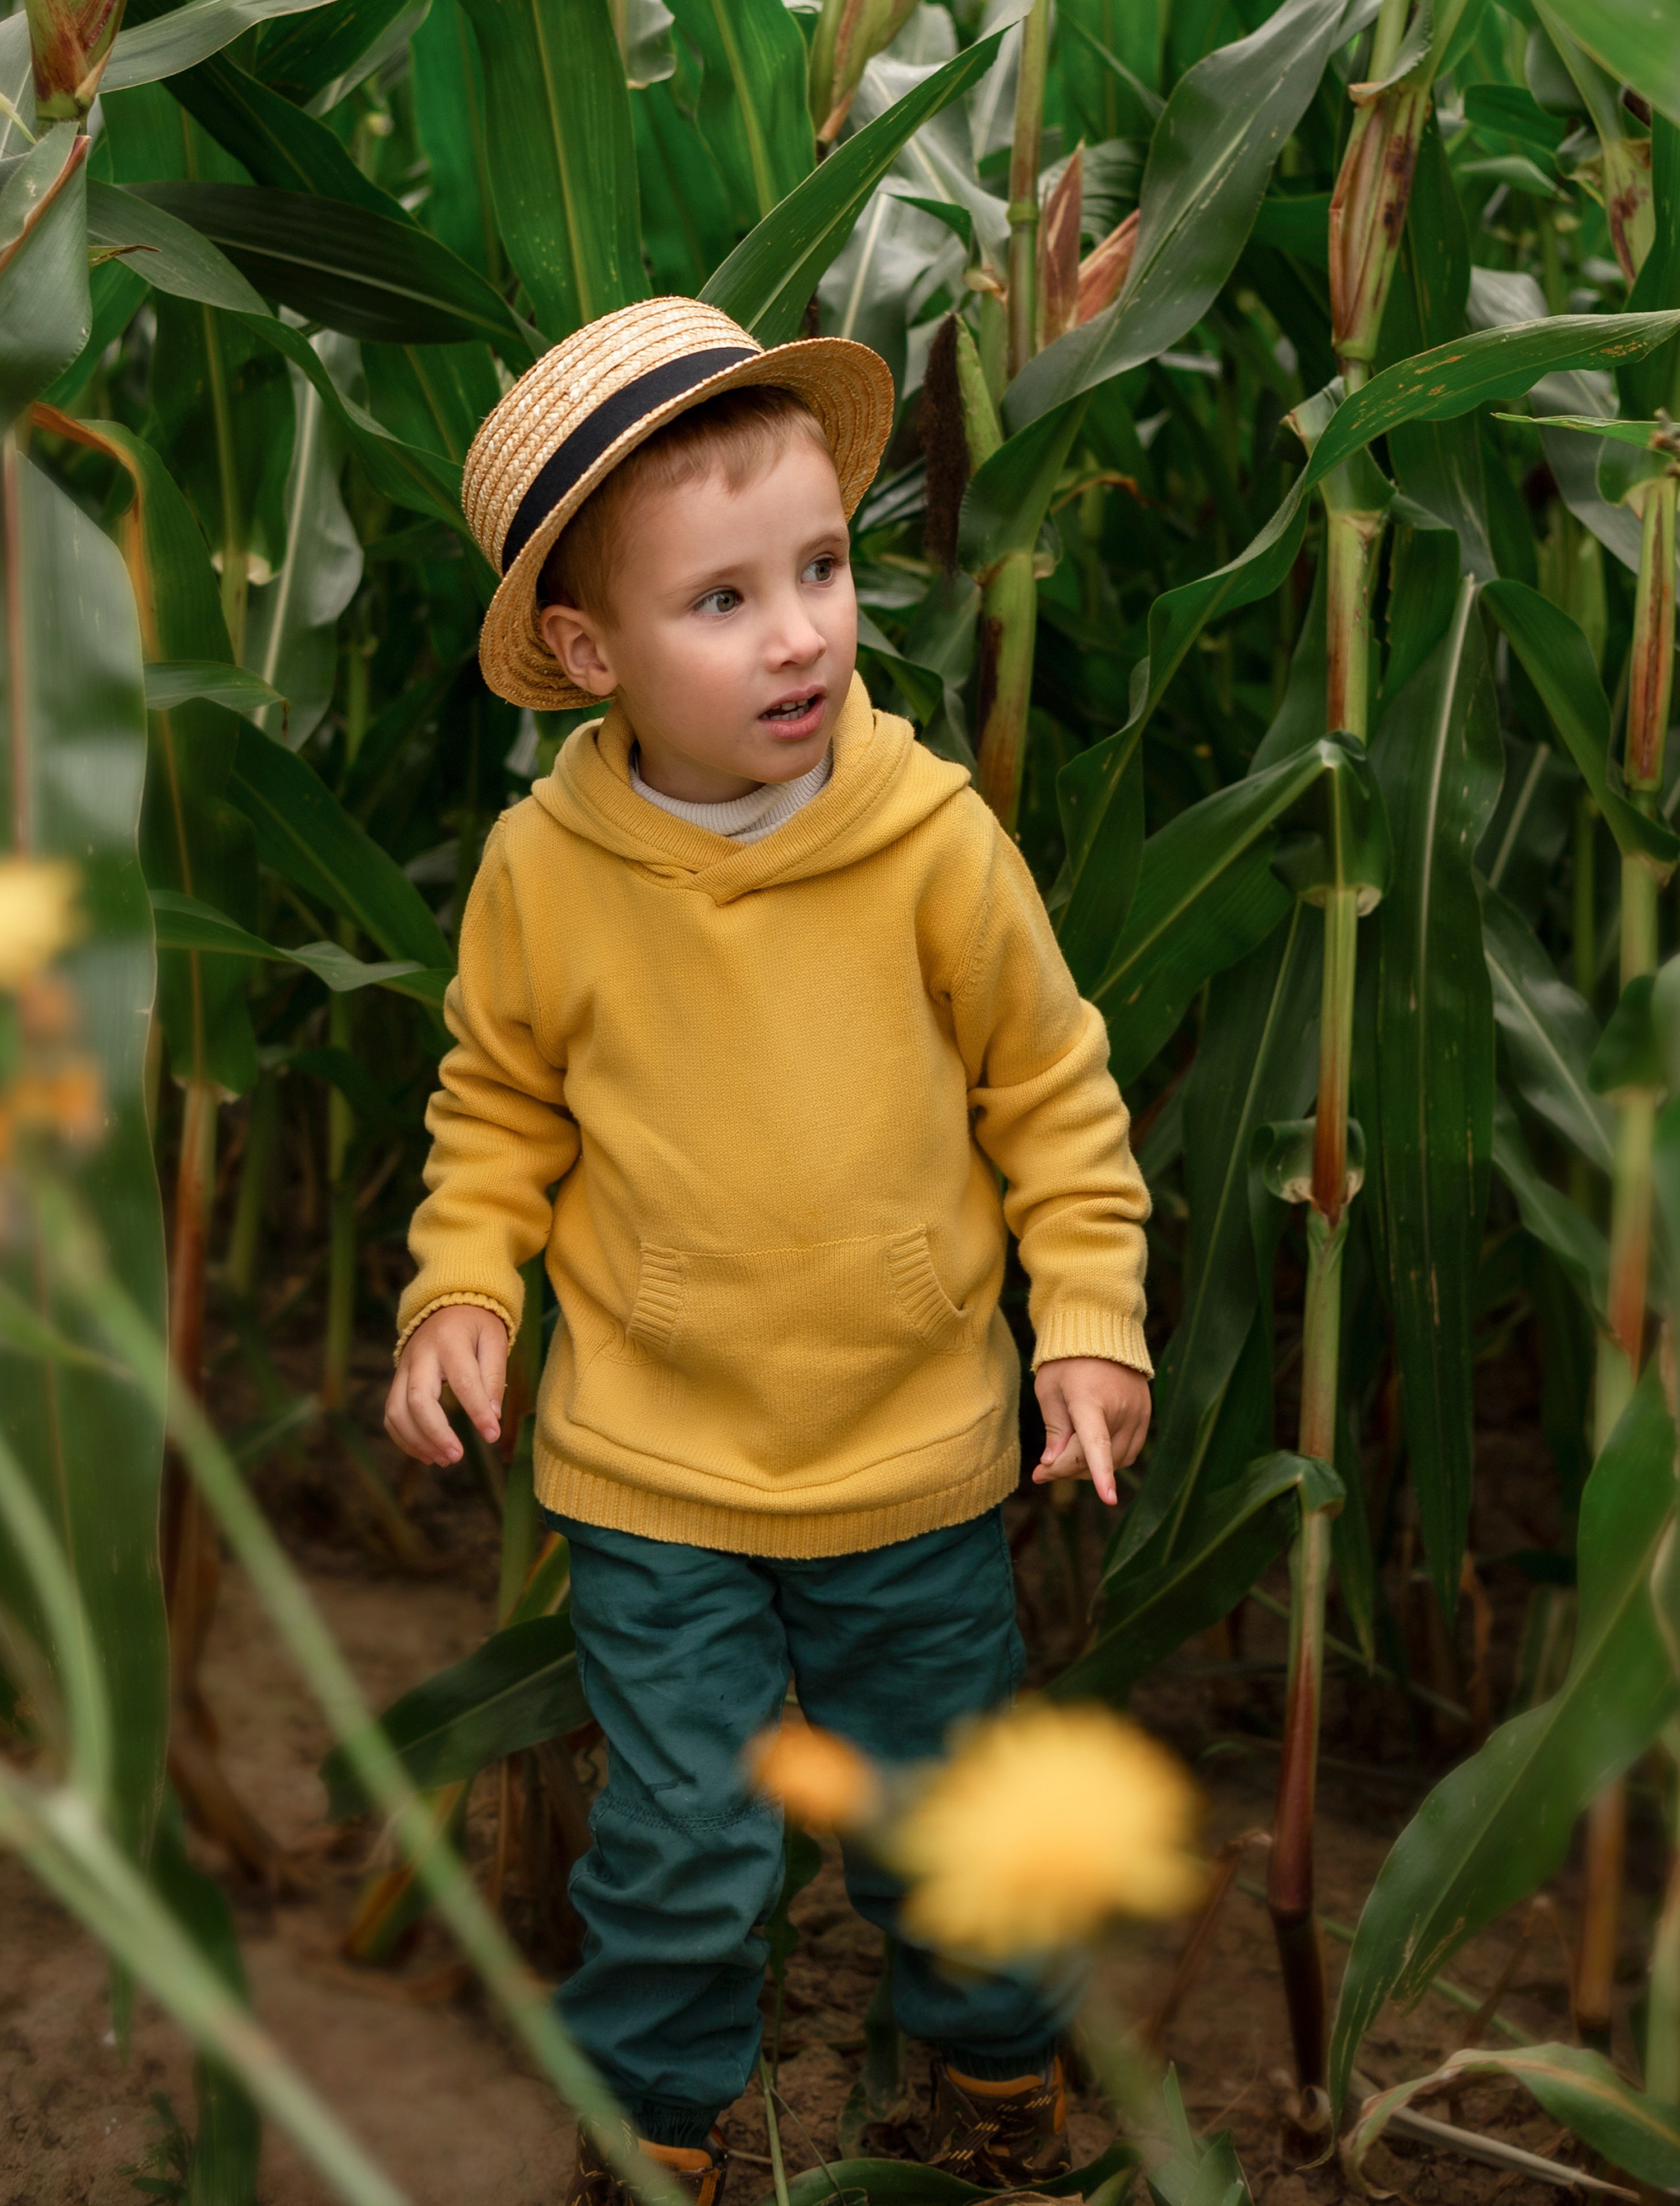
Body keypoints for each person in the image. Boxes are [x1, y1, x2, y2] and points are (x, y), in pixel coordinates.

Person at [386, 296, 1152, 2206]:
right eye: (722, 599)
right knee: (680, 1843)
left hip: (912, 1450)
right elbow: (495, 1111)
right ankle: (654, 2132)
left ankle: (998, 2088)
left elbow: (1054, 1096)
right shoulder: (545, 875)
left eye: (820, 567)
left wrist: (1088, 1318)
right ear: (591, 652)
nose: (801, 631)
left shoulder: (934, 844)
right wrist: (461, 1290)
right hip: (658, 1467)